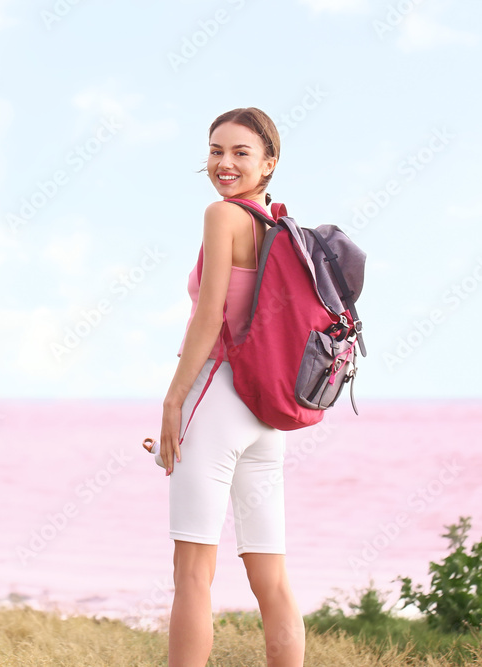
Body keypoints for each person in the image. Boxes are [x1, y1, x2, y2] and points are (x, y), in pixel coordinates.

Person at [149, 107, 305, 666]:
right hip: (266, 413)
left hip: (217, 399)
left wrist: (173, 401)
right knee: (272, 579)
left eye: (241, 152)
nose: (224, 163)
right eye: (216, 151)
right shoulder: (278, 224)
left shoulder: (223, 216)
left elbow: (209, 316)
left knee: (192, 573)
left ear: (270, 161)